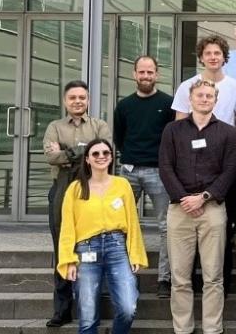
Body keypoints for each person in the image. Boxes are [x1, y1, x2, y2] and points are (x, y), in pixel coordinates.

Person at [158, 80, 236, 334]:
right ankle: (183, 329)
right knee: (180, 276)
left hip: (212, 209)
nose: (204, 99)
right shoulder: (172, 130)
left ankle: (212, 329)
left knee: (213, 276)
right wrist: (185, 198)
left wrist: (204, 197)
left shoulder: (228, 132)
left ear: (216, 100)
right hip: (179, 209)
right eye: (200, 95)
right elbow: (165, 166)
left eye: (209, 96)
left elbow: (232, 168)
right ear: (190, 99)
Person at [56, 139, 150, 334]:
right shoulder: (75, 188)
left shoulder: (122, 184)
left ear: (111, 157)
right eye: (96, 153)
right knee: (88, 318)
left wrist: (135, 254)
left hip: (117, 248)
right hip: (86, 250)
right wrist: (68, 260)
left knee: (128, 308)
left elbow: (133, 221)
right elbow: (67, 227)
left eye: (106, 153)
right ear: (87, 159)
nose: (101, 157)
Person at [41, 80, 112, 328]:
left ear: (88, 100)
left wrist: (66, 152)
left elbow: (104, 152)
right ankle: (62, 310)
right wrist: (83, 152)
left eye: (82, 97)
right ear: (65, 101)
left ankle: (90, 307)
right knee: (62, 245)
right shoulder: (55, 126)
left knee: (92, 241)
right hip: (61, 188)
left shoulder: (99, 125)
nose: (77, 101)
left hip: (92, 188)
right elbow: (51, 156)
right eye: (73, 98)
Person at [111, 56, 177, 298]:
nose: (146, 76)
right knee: (120, 225)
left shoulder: (168, 104)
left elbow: (172, 138)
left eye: (150, 72)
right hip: (128, 171)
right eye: (142, 72)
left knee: (166, 227)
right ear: (134, 74)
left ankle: (164, 279)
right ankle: (123, 277)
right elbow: (119, 138)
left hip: (159, 172)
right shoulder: (124, 105)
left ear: (157, 74)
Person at [175, 35, 236, 130]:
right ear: (201, 58)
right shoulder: (186, 86)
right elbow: (179, 127)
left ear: (224, 57)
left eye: (217, 53)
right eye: (208, 53)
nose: (213, 57)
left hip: (226, 138)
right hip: (193, 138)